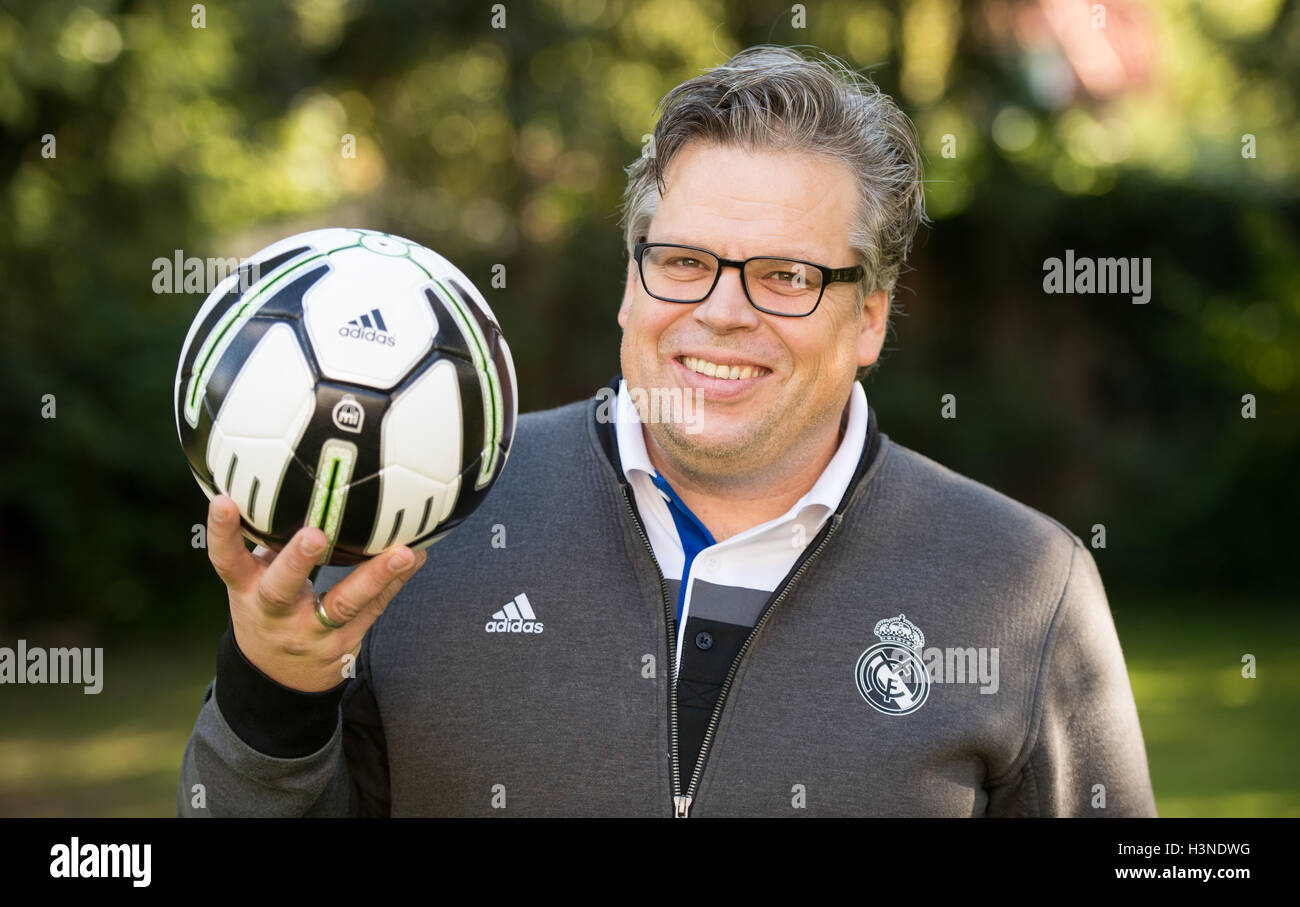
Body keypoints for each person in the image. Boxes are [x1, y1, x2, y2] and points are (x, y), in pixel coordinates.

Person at [178, 45, 1157, 817]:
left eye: (785, 275)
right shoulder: (423, 523)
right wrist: (276, 690)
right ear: (628, 279)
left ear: (869, 315)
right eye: (683, 260)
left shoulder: (1025, 583)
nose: (722, 312)